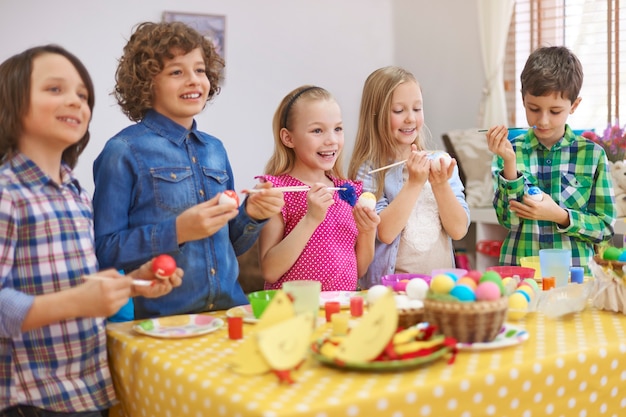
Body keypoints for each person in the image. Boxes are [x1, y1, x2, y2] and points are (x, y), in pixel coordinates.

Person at [0, 45, 182, 417]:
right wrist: (79, 303)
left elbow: (75, 282)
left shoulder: (74, 192)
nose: (75, 101)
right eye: (55, 89)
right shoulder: (7, 194)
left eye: (82, 95)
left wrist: (133, 282)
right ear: (10, 104)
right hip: (33, 398)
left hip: (86, 388)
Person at [92, 21, 283, 319]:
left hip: (230, 312)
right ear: (147, 83)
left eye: (200, 70)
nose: (194, 80)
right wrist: (178, 231)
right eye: (176, 72)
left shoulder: (215, 150)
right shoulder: (123, 152)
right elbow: (105, 250)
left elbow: (229, 241)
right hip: (165, 321)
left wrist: (253, 214)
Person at [485, 45, 615, 269]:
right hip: (520, 276)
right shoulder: (509, 152)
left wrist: (561, 216)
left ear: (574, 105)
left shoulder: (593, 155)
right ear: (523, 99)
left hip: (575, 278)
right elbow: (508, 220)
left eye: (555, 111)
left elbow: (604, 229)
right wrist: (509, 164)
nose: (543, 120)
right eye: (533, 108)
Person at [348, 66, 470, 289]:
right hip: (391, 292)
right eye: (398, 110)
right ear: (375, 115)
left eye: (417, 108)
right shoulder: (369, 171)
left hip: (440, 290)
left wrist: (440, 185)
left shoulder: (440, 162)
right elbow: (384, 232)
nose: (410, 118)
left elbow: (459, 229)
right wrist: (414, 183)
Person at [257, 85, 380, 291]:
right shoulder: (277, 191)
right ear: (288, 138)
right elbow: (270, 270)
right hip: (294, 312)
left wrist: (367, 231)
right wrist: (311, 219)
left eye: (338, 129)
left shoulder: (348, 192)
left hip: (341, 311)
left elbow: (359, 270)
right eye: (317, 130)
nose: (332, 140)